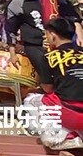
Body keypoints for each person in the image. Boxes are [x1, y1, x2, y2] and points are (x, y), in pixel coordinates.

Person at [6, 0, 83, 87]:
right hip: (35, 45)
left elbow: (71, 15)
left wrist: (79, 32)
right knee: (46, 78)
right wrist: (12, 53)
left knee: (71, 73)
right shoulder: (17, 2)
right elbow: (11, 30)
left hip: (62, 42)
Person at [24, 18, 83, 150]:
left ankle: (58, 137)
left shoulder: (49, 57)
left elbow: (48, 88)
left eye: (46, 34)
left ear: (52, 34)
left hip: (71, 112)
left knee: (31, 100)